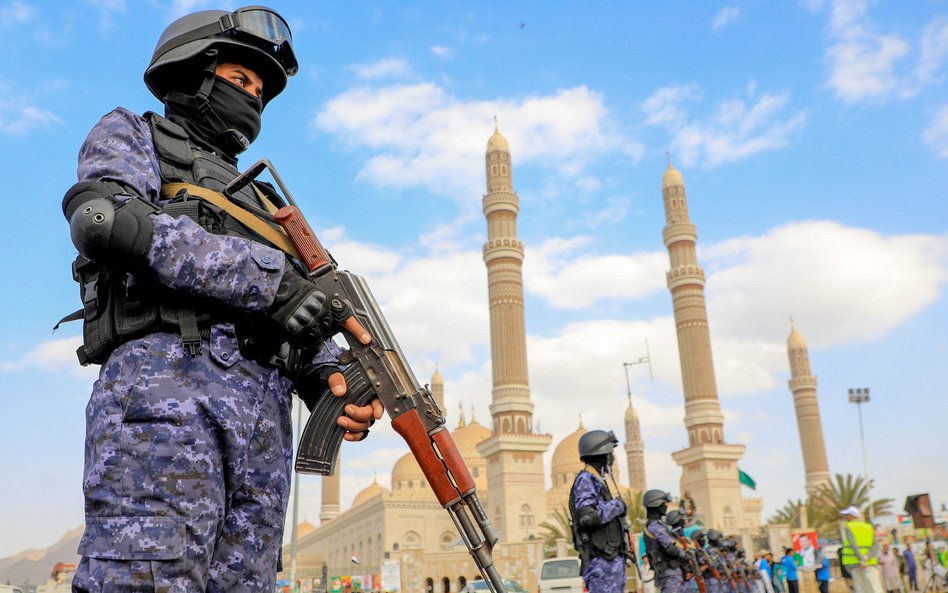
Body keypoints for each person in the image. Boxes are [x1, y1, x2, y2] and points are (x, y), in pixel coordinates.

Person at [62, 7, 384, 592]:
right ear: (194, 73)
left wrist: (329, 381)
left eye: (261, 91)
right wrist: (270, 282)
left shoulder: (265, 200)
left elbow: (297, 316)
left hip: (262, 441)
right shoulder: (135, 134)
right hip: (167, 408)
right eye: (240, 82)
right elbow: (105, 219)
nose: (253, 98)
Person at [569, 430, 630, 593]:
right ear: (602, 454)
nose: (612, 457)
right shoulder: (586, 479)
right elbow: (587, 517)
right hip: (601, 563)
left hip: (611, 560)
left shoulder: (597, 479)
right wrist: (617, 506)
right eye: (610, 452)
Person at [643, 489, 691, 593]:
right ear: (656, 505)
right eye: (664, 504)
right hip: (669, 572)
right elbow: (669, 548)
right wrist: (686, 555)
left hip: (670, 571)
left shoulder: (658, 525)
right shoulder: (655, 526)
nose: (666, 506)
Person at [839, 506, 885, 593]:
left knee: (861, 589)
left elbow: (853, 544)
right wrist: (867, 557)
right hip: (870, 563)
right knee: (875, 588)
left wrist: (861, 560)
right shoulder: (868, 527)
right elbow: (875, 545)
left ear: (852, 516)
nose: (846, 517)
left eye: (847, 515)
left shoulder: (848, 527)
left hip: (856, 564)